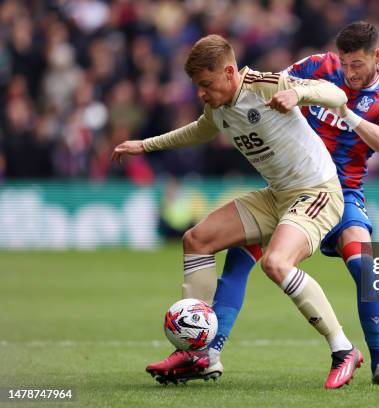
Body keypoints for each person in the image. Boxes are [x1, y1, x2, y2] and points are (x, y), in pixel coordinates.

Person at [111, 34, 362, 389]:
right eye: (198, 85)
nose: (201, 92)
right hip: (276, 197)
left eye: (206, 84)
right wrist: (144, 145)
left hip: (316, 193)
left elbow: (336, 95)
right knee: (196, 239)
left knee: (276, 263)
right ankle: (198, 352)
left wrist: (298, 94)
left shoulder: (265, 85)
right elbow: (199, 131)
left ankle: (344, 349)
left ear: (229, 72)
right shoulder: (217, 107)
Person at [205, 21, 379, 385]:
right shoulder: (320, 66)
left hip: (343, 194)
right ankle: (209, 353)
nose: (348, 73)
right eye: (344, 63)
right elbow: (271, 90)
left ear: (377, 56)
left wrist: (346, 111)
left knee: (364, 267)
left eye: (358, 65)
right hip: (291, 185)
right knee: (239, 257)